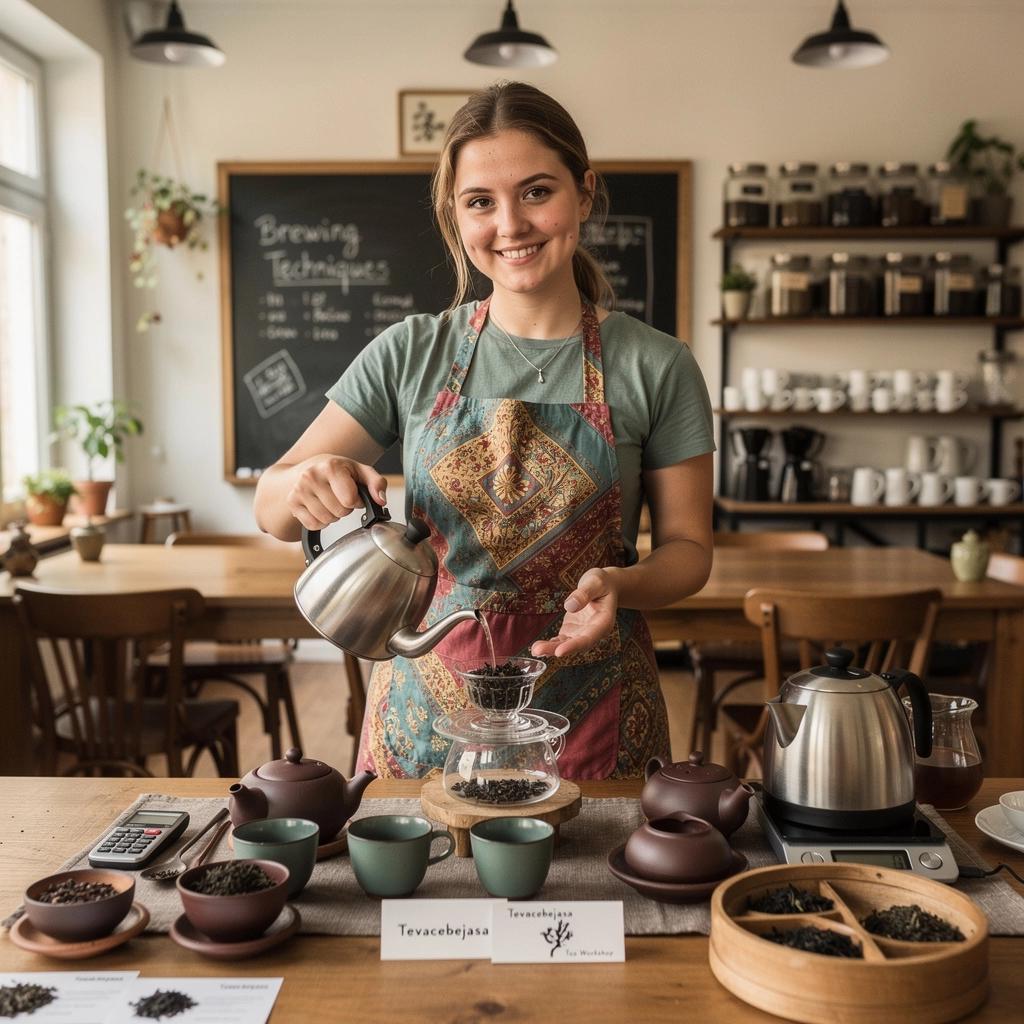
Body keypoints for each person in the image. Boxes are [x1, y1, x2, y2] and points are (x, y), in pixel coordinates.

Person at [254, 82, 714, 779]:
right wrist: (306, 484)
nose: (511, 225)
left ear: (584, 193)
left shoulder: (657, 364)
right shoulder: (411, 352)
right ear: (455, 213)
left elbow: (689, 551)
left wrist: (621, 584)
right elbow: (272, 508)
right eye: (480, 202)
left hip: (595, 711)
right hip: (426, 714)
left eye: (537, 192)